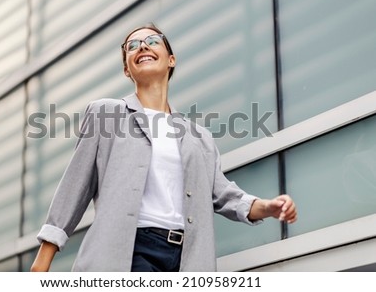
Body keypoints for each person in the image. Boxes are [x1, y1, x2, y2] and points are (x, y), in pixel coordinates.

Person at [30, 23, 297, 272]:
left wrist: (267, 207)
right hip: (130, 251)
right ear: (127, 69)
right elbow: (74, 187)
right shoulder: (106, 114)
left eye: (152, 41)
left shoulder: (198, 137)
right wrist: (41, 263)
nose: (142, 47)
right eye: (132, 46)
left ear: (171, 59)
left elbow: (224, 195)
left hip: (187, 259)